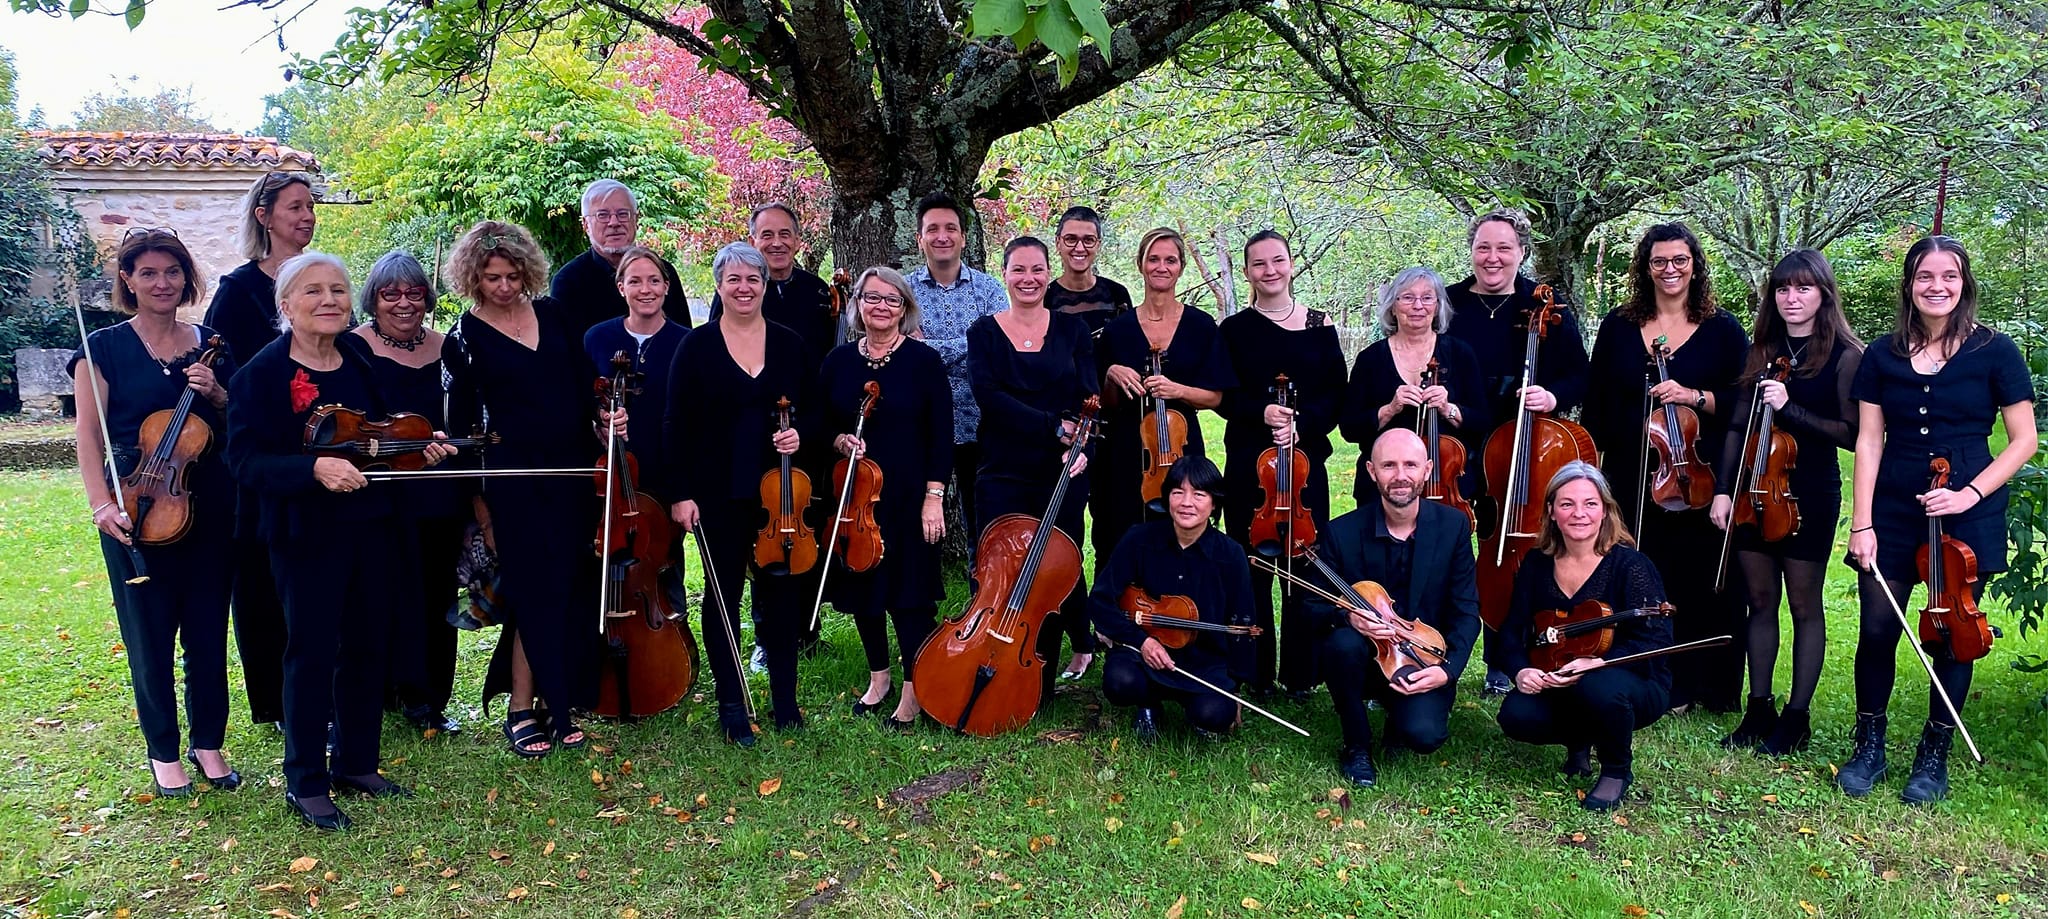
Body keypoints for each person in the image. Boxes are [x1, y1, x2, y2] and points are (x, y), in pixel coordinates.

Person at [226, 252, 451, 829]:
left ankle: (356, 763)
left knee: (367, 645)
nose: (329, 300)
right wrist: (312, 471)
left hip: (370, 523)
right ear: (286, 306)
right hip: (306, 534)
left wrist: (415, 449)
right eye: (313, 292)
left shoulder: (357, 358)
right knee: (311, 651)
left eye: (337, 290)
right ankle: (304, 780)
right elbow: (245, 460)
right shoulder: (260, 374)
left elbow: (375, 439)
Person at [1840, 236, 2036, 805]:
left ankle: (1933, 755)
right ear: (1909, 284)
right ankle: (1869, 744)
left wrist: (1970, 493)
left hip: (1968, 506)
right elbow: (1870, 439)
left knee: (1953, 631)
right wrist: (1862, 522)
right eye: (1925, 276)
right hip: (1896, 505)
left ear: (1964, 283)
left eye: (1949, 276)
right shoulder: (1882, 354)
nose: (1937, 286)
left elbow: (2023, 440)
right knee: (1878, 627)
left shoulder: (1995, 351)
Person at [71, 228, 240, 797]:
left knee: (208, 630)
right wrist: (101, 505)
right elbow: (89, 441)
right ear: (128, 280)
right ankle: (163, 749)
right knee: (148, 634)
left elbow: (239, 425)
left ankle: (209, 742)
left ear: (186, 277)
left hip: (209, 504)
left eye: (171, 271)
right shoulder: (103, 349)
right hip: (136, 507)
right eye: (148, 273)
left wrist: (218, 394)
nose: (161, 283)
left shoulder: (212, 343)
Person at [443, 221, 614, 758]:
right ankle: (537, 710)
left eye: (513, 276)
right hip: (512, 482)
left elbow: (588, 391)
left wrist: (605, 422)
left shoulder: (556, 315)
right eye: (492, 277)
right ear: (474, 277)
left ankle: (543, 702)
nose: (504, 287)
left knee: (564, 589)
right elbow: (461, 431)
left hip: (571, 474)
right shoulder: (463, 339)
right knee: (533, 592)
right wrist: (483, 512)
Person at [1583, 222, 1748, 715]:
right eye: (1659, 261)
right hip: (1635, 474)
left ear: (1695, 264)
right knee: (1638, 575)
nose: (1670, 269)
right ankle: (1648, 677)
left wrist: (1693, 397)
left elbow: (1742, 404)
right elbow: (1596, 404)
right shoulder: (1618, 326)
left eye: (1680, 260)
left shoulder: (1722, 329)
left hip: (1699, 473)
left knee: (1702, 578)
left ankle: (1707, 686)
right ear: (1645, 268)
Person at [1707, 249, 1863, 754]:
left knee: (1802, 604)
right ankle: (1759, 709)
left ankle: (1796, 718)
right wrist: (1725, 490)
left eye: (1803, 289)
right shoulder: (1763, 349)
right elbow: (1736, 427)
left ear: (1823, 294)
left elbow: (1852, 433)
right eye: (1783, 289)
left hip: (1808, 495)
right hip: (1754, 492)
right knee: (1759, 602)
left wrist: (1789, 408)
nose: (1791, 298)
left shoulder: (1843, 356)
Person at [666, 242, 820, 745]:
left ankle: (784, 701)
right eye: (733, 279)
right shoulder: (696, 346)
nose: (744, 287)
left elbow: (816, 413)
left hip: (778, 496)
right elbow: (676, 425)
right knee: (723, 594)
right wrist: (682, 493)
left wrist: (801, 434)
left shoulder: (792, 344)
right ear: (718, 286)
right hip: (715, 493)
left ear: (763, 284)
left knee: (780, 596)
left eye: (752, 278)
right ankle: (732, 703)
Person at [1088, 227, 1236, 678]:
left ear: (1180, 268)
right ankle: (1122, 633)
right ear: (1140, 264)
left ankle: (1184, 626)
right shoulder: (1116, 329)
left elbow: (1216, 397)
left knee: (1186, 533)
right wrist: (1112, 373)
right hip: (1126, 451)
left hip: (1179, 446)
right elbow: (1105, 402)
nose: (1162, 267)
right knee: (1120, 531)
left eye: (1170, 260)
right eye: (1154, 259)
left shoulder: (1200, 325)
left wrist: (1177, 390)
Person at [204, 170, 317, 730]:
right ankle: (272, 701)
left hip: (317, 445)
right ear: (263, 215)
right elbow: (221, 368)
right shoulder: (238, 291)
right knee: (259, 575)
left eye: (310, 207)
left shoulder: (314, 279)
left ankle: (319, 684)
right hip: (259, 451)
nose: (306, 216)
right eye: (295, 207)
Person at [818, 267, 954, 728]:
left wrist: (933, 496)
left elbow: (942, 436)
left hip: (909, 495)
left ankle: (916, 687)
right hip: (858, 499)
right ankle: (880, 678)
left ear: (904, 309)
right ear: (857, 303)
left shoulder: (923, 362)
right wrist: (840, 441)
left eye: (891, 300)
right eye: (871, 298)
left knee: (910, 595)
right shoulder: (838, 362)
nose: (880, 307)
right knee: (864, 589)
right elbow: (820, 424)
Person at [1496, 461, 1674, 812]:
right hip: (1561, 680)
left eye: (1590, 504)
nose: (1579, 514)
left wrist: (1599, 662)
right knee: (1516, 715)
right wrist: (1521, 671)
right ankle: (1578, 742)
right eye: (1567, 504)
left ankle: (1616, 771)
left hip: (1634, 684)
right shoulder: (1536, 564)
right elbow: (1511, 632)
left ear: (1605, 511)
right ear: (1551, 511)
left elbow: (1656, 641)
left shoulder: (1630, 565)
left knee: (1598, 686)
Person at [1307, 430, 1480, 787]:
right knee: (1342, 645)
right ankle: (1356, 745)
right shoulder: (1342, 532)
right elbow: (1309, 606)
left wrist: (1447, 672)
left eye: (1410, 465)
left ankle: (1399, 719)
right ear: (1371, 471)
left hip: (1423, 658)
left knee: (1424, 735)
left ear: (1427, 469)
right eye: (1389, 465)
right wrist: (1348, 616)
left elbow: (1466, 610)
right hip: (1366, 661)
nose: (1400, 475)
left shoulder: (1454, 527)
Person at [1218, 230, 1349, 700]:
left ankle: (1301, 674)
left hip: (1305, 464)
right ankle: (1254, 671)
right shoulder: (1233, 329)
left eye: (1277, 261)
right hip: (1249, 467)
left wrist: (1304, 422)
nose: (1269, 271)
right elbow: (1224, 394)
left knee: (1305, 567)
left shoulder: (1319, 323)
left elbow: (1337, 393)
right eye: (1258, 264)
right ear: (1248, 271)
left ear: (1291, 264)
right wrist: (1262, 412)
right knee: (1251, 568)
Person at [967, 236, 1098, 704]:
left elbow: (1089, 401)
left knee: (1056, 566)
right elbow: (991, 399)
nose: (1029, 278)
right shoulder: (983, 332)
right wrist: (1052, 426)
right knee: (998, 564)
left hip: (1062, 467)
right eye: (1019, 269)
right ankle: (985, 649)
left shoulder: (1072, 332)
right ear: (1004, 274)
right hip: (1002, 467)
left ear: (1049, 273)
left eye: (1037, 269)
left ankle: (1042, 657)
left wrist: (1081, 446)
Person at [349, 250, 468, 735]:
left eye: (414, 293)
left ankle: (428, 698)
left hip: (437, 491)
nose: (404, 303)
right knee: (378, 594)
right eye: (390, 293)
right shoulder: (352, 347)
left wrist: (449, 443)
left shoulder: (449, 348)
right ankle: (377, 692)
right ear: (373, 299)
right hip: (373, 493)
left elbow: (463, 418)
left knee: (435, 593)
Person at [1088, 456, 1255, 741]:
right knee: (1119, 682)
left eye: (1199, 494)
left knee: (1215, 714)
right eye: (1178, 492)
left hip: (1203, 663)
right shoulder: (1139, 539)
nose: (1186, 502)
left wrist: (1234, 688)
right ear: (1167, 499)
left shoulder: (1230, 554)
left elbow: (1243, 622)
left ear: (1214, 503)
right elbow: (1100, 601)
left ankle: (1199, 706)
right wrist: (1142, 641)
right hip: (1143, 655)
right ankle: (1148, 704)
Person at [905, 193, 1009, 546]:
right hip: (920, 424)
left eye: (951, 228)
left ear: (964, 236)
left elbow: (995, 351)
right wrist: (970, 345)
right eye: (932, 229)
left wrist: (926, 348)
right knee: (913, 520)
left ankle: (986, 598)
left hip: (980, 422)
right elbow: (900, 355)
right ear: (920, 238)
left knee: (984, 527)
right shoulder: (901, 292)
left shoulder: (991, 290)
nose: (942, 236)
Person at [1340, 266, 1486, 505]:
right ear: (1393, 307)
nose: (1418, 306)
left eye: (1427, 298)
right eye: (1407, 297)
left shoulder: (1460, 353)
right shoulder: (1371, 359)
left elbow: (1482, 421)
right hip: (1381, 488)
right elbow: (1349, 428)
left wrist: (1448, 408)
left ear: (1437, 306)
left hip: (1447, 486)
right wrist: (1390, 408)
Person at [583, 246, 691, 506]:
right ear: (621, 288)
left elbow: (694, 419)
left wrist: (683, 490)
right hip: (610, 474)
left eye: (654, 281)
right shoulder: (596, 338)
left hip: (666, 475)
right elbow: (582, 401)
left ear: (666, 287)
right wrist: (601, 419)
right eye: (635, 281)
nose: (646, 290)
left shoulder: (688, 343)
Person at [550, 179, 694, 333]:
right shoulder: (568, 282)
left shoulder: (664, 272)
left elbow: (686, 344)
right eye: (602, 215)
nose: (614, 222)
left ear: (636, 220)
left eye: (623, 214)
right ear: (585, 225)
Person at [706, 203, 840, 365]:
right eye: (767, 235)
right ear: (752, 241)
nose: (777, 243)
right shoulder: (738, 292)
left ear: (797, 242)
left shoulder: (817, 289)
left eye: (785, 234)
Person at [1043, 204, 1132, 337]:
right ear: (1058, 243)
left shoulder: (1117, 294)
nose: (1079, 248)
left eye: (1088, 240)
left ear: (1098, 245)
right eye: (1071, 239)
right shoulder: (1045, 298)